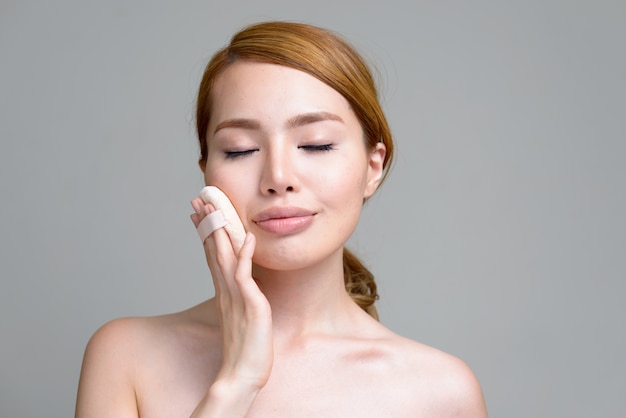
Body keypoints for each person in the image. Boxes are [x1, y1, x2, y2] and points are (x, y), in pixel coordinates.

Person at [75, 21, 488, 417]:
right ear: (206, 171)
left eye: (316, 144)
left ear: (373, 167)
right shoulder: (125, 356)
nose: (278, 178)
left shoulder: (440, 392)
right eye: (239, 150)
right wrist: (236, 383)